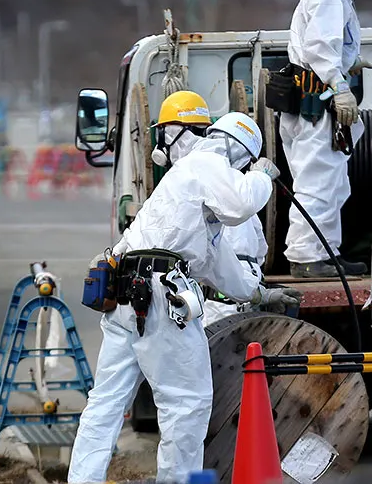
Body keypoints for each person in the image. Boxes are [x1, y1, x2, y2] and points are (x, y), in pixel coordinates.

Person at [68, 112, 301, 484]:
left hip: (127, 299)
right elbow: (241, 205)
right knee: (186, 405)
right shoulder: (206, 162)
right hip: (160, 297)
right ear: (237, 152)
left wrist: (259, 293)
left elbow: (218, 263)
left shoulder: (183, 187)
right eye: (242, 164)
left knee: (107, 402)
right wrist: (261, 177)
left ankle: (83, 480)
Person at [281, 0, 372, 279]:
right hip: (316, 101)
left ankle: (325, 254)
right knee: (317, 183)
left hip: (320, 100)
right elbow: (319, 48)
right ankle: (305, 258)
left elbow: (330, 45)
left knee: (333, 183)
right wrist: (339, 83)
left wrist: (349, 62)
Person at [146, 91, 270, 325]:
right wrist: (262, 178)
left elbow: (219, 252)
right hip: (192, 299)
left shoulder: (196, 177)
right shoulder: (208, 173)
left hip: (188, 299)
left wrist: (254, 293)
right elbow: (242, 214)